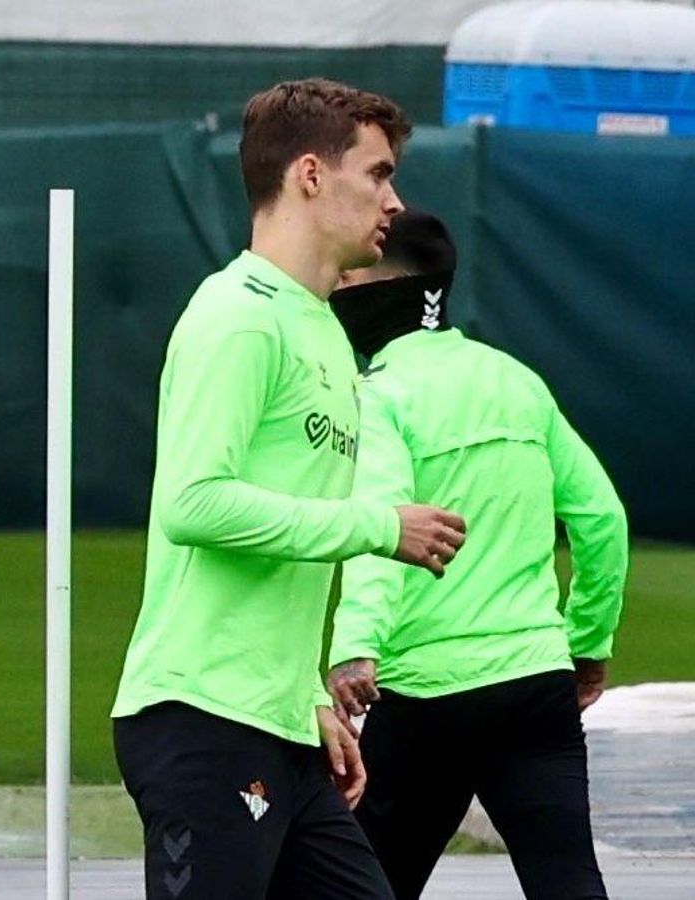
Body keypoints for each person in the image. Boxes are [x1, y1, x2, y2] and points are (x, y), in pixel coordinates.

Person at [109, 78, 468, 899]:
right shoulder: (237, 313)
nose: (394, 199)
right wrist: (379, 526)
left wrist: (306, 696)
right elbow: (194, 503)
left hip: (279, 725)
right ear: (310, 175)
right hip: (203, 721)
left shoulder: (321, 331)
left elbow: (279, 535)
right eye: (377, 175)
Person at [325, 209, 629, 900]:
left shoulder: (380, 397)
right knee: (568, 881)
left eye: (350, 276)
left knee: (368, 886)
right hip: (534, 684)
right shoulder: (517, 381)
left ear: (384, 285)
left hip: (425, 692)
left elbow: (382, 525)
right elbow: (602, 520)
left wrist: (356, 645)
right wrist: (587, 643)